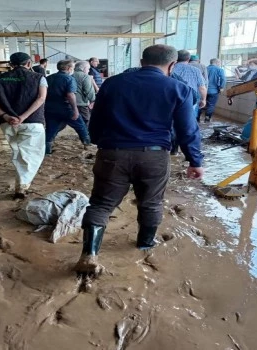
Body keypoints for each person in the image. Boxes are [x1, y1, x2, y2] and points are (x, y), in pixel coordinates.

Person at [75, 44, 204, 275]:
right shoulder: (178, 88)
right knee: (151, 202)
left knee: (101, 204)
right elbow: (188, 129)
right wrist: (195, 161)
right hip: (154, 156)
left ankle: (90, 253)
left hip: (112, 152)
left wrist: (99, 142)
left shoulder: (113, 84)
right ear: (172, 65)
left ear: (142, 61)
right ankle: (145, 244)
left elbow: (96, 119)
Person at [0, 52, 47, 200]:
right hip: (32, 122)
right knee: (33, 155)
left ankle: (20, 183)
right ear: (29, 63)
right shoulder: (39, 78)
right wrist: (23, 117)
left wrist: (6, 116)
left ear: (11, 64)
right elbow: (41, 99)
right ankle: (22, 186)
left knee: (17, 152)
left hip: (7, 122)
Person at [45, 60, 91, 154]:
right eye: (73, 68)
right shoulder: (69, 79)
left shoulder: (48, 78)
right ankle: (88, 147)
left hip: (50, 108)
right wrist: (75, 110)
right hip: (65, 108)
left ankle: (47, 150)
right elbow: (70, 95)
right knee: (81, 126)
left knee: (50, 129)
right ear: (69, 68)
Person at [172, 50, 207, 123]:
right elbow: (202, 88)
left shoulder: (170, 69)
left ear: (176, 58)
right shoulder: (196, 70)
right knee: (189, 122)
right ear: (188, 59)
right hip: (191, 100)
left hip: (172, 99)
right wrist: (203, 99)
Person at [72, 60, 96, 125]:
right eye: (88, 69)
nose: (88, 71)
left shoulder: (70, 75)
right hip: (81, 103)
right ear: (83, 68)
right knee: (86, 120)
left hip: (70, 102)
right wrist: (93, 100)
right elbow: (89, 90)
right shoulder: (85, 76)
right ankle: (85, 134)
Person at [204, 58, 227, 123]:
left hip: (203, 90)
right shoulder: (219, 69)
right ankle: (207, 119)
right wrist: (221, 87)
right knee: (211, 105)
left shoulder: (205, 68)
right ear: (216, 62)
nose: (219, 64)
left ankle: (197, 119)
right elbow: (223, 79)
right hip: (213, 91)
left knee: (201, 104)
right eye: (219, 63)